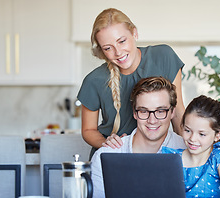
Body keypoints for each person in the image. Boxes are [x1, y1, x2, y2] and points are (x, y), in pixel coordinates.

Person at [77, 8, 185, 158]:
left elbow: (178, 113)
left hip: (158, 155)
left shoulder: (164, 57)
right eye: (108, 48)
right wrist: (107, 142)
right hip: (114, 157)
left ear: (134, 33)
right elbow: (88, 131)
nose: (118, 52)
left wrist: (190, 153)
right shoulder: (94, 80)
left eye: (122, 41)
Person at [90, 76, 186, 198]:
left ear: (172, 112)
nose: (152, 120)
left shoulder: (189, 150)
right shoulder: (106, 155)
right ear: (134, 113)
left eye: (160, 111)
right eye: (143, 111)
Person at [163, 95, 220, 198]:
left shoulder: (218, 157)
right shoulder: (171, 158)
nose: (192, 139)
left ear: (217, 135)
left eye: (202, 134)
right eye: (187, 130)